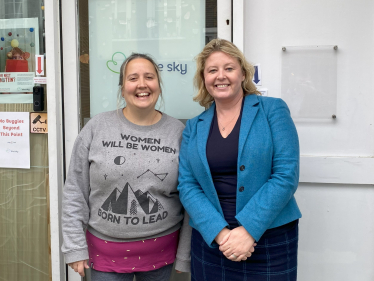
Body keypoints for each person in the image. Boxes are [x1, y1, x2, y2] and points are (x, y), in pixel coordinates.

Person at [177, 39, 301, 280]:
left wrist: (248, 230)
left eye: (229, 68)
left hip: (269, 236)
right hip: (212, 240)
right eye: (212, 70)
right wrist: (221, 234)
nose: (220, 76)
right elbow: (187, 185)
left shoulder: (272, 110)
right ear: (204, 78)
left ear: (243, 73)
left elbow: (286, 175)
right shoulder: (194, 127)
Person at [62, 53, 191, 280]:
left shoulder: (178, 133)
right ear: (122, 89)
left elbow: (190, 198)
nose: (142, 84)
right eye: (133, 78)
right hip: (104, 257)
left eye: (149, 77)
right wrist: (74, 247)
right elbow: (75, 190)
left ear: (158, 86)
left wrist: (185, 254)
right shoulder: (96, 128)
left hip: (161, 256)